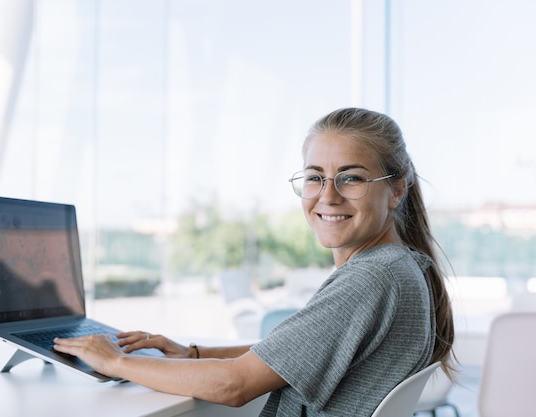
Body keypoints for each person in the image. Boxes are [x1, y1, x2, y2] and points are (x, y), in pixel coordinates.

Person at [54, 107, 455, 416]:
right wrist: (193, 354)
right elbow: (286, 353)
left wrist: (117, 362)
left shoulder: (373, 279)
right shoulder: (399, 267)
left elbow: (234, 386)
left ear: (397, 190)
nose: (328, 195)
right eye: (315, 177)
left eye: (351, 178)